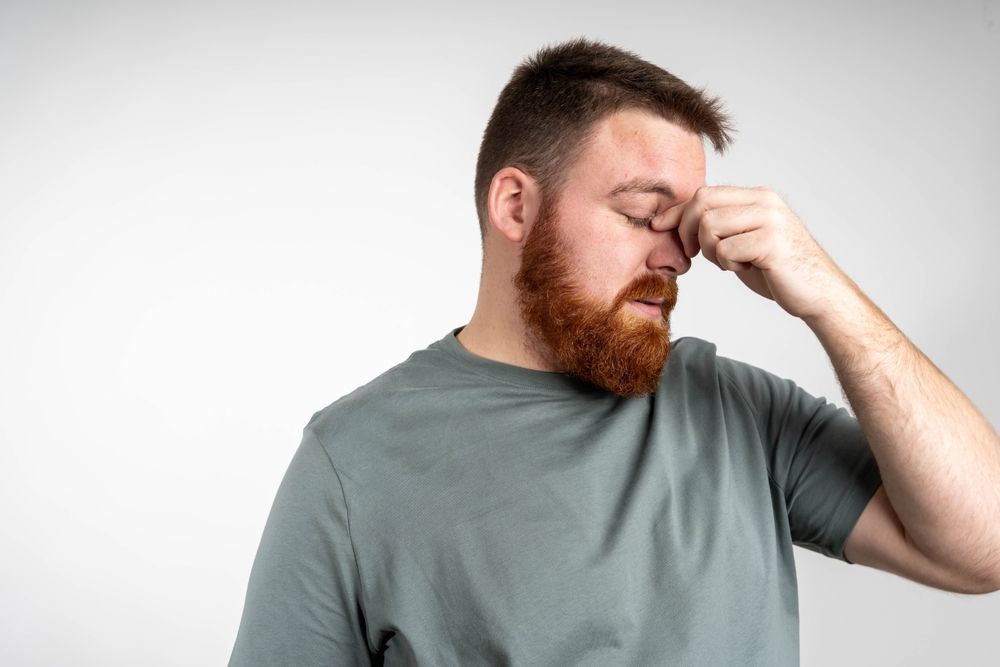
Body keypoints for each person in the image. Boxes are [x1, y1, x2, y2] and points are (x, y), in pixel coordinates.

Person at [229, 38, 1000, 665]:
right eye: (641, 214)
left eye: (687, 224)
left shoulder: (736, 410)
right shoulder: (352, 459)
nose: (680, 256)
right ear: (516, 206)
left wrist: (829, 296)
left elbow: (985, 546)